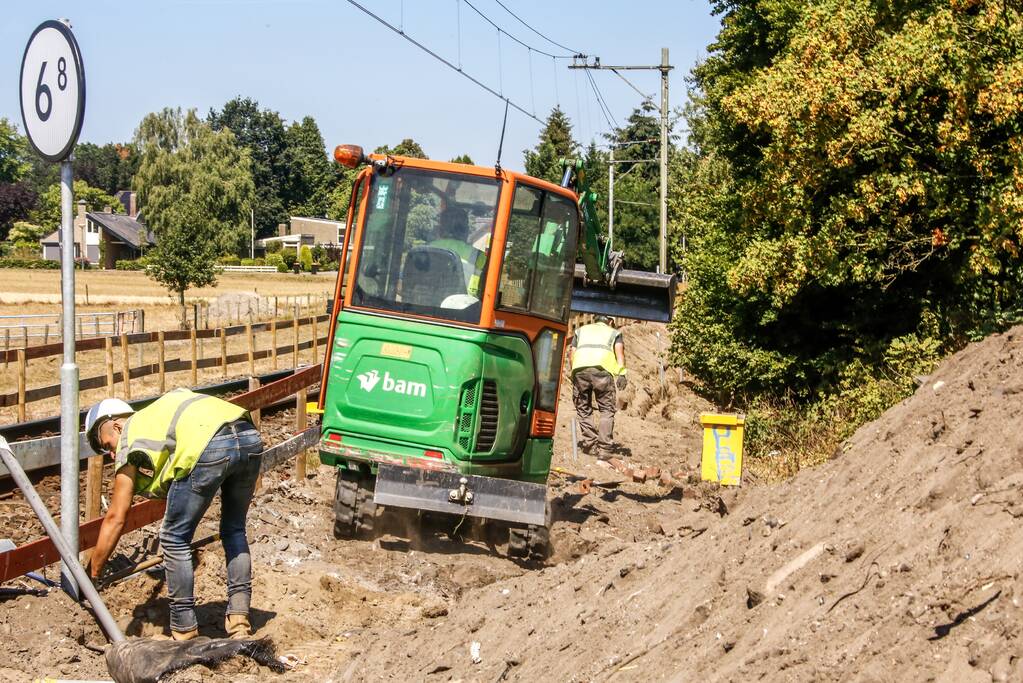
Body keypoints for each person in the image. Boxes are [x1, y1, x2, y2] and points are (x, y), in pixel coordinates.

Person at [84, 389, 262, 641]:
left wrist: (93, 573)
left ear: (115, 425)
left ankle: (184, 631)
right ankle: (239, 622)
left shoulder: (130, 433)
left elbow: (116, 517)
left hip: (208, 444)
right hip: (248, 435)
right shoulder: (156, 417)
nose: (112, 454)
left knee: (173, 538)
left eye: (107, 445)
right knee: (234, 530)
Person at [568, 315, 627, 460]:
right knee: (606, 409)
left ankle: (590, 444)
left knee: (583, 408)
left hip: (579, 371)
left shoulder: (580, 330)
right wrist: (621, 374)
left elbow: (571, 354)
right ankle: (604, 449)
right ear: (611, 321)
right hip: (602, 372)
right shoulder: (614, 333)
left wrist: (573, 373)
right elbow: (620, 354)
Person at [429, 205, 487, 297]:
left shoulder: (425, 250)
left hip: (423, 305)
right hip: (465, 308)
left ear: (440, 229)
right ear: (466, 230)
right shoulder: (479, 256)